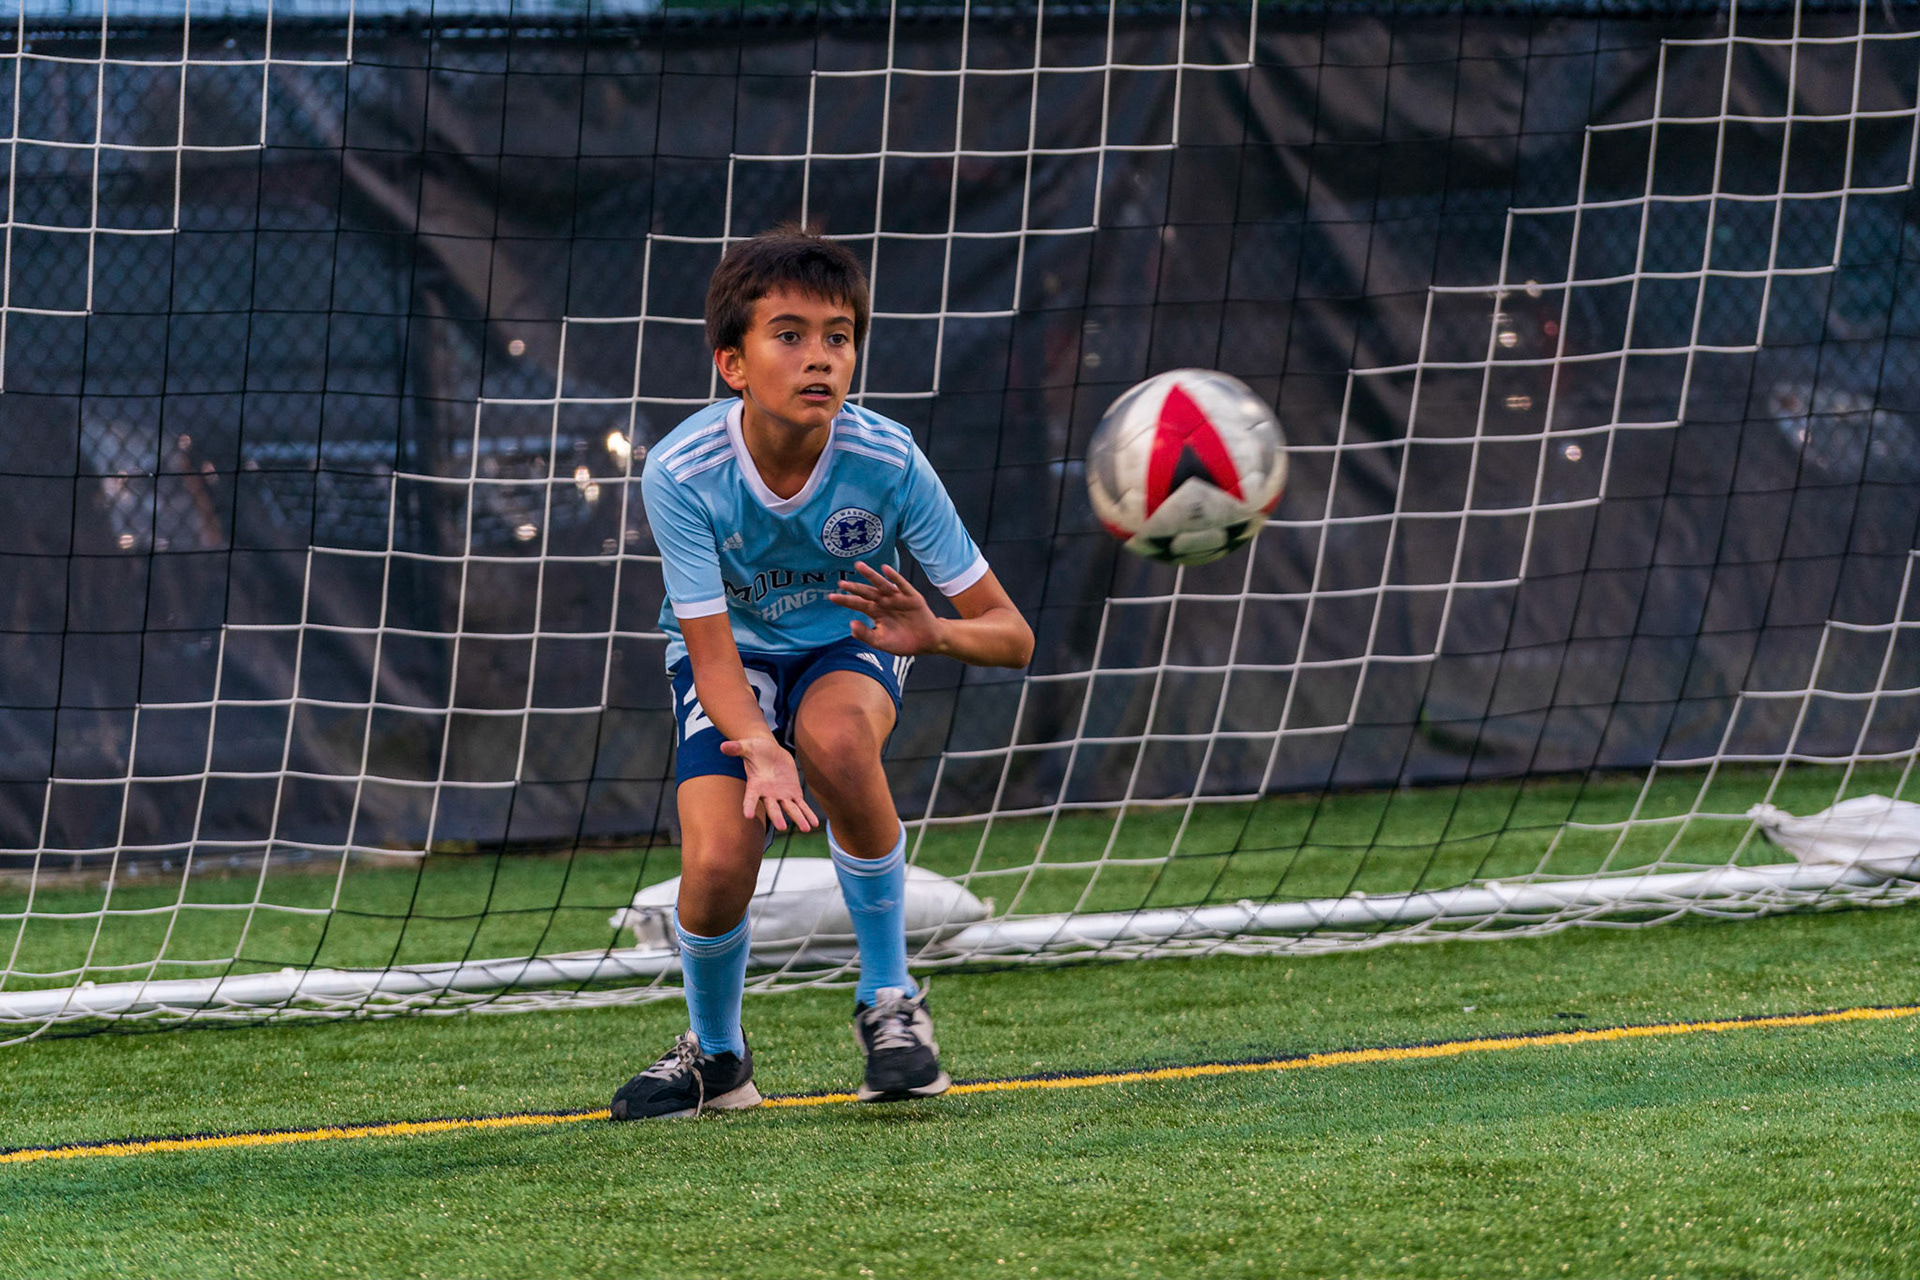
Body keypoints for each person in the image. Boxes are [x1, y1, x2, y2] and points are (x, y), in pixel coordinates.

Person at [610, 226, 1034, 1120]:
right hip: (731, 660)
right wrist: (758, 748)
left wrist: (933, 633)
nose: (821, 358)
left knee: (837, 738)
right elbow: (712, 646)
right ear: (733, 363)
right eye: (790, 335)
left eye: (838, 337)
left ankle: (891, 1005)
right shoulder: (685, 472)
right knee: (721, 857)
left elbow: (1011, 635)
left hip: (849, 646)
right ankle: (717, 1057)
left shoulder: (888, 461)